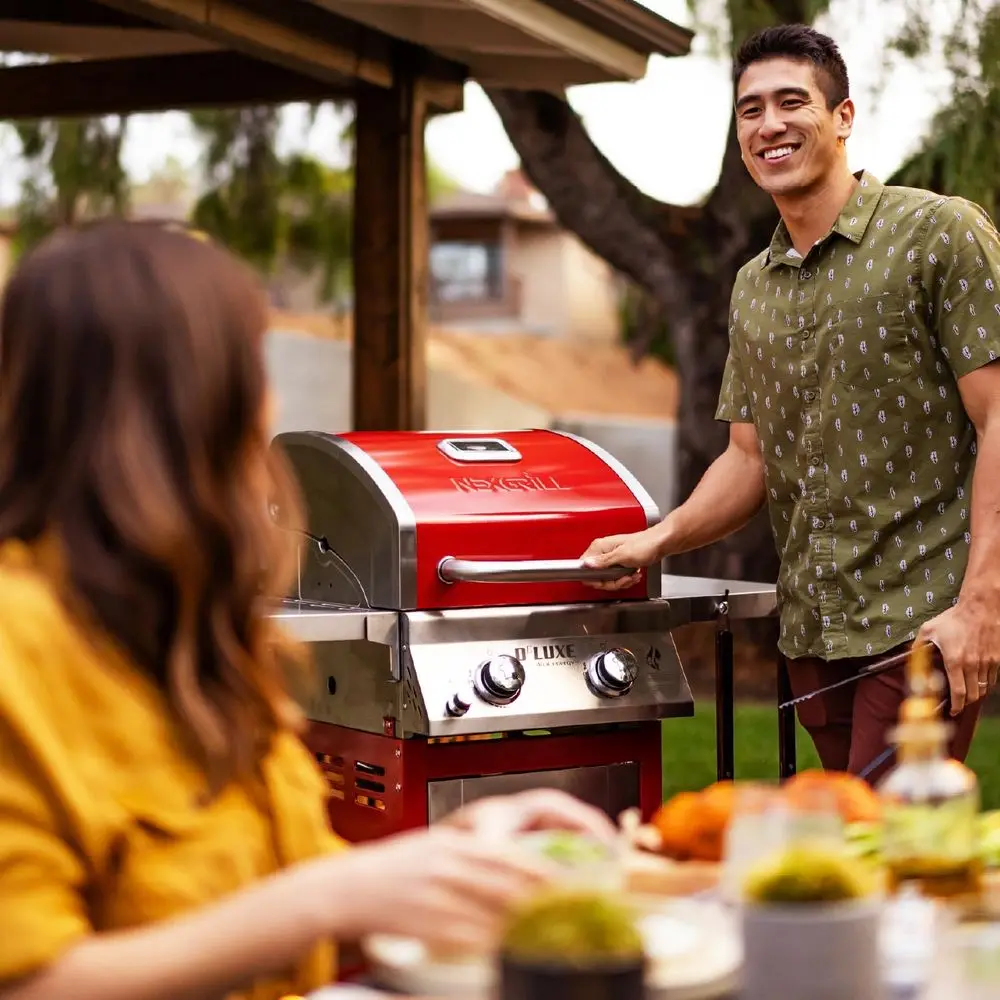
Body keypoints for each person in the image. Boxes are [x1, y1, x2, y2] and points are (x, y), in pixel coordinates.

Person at [0, 221, 616, 1000]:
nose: (273, 404)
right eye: (252, 370)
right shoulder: (18, 641)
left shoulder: (186, 622)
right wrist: (329, 900)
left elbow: (272, 888)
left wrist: (453, 857)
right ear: (185, 403)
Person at [582, 24, 1000, 781]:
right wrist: (659, 537)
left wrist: (980, 604)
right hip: (813, 634)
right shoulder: (753, 285)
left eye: (790, 102)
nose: (768, 124)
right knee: (850, 853)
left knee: (891, 844)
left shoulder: (938, 234)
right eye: (750, 110)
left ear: (842, 117)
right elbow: (750, 457)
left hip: (925, 622)